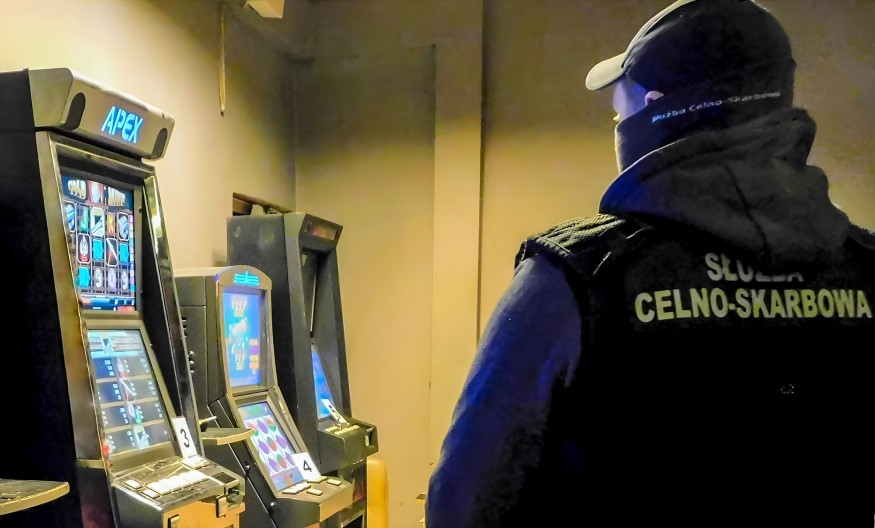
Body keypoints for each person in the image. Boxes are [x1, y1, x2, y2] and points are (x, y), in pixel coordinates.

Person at [425, 0, 875, 526]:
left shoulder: (577, 277)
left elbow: (462, 503)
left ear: (658, 110)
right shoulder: (864, 267)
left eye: (622, 114)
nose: (619, 126)